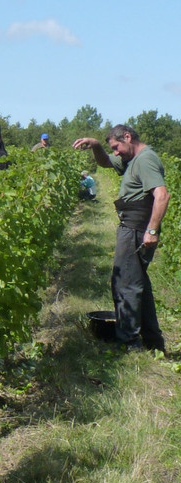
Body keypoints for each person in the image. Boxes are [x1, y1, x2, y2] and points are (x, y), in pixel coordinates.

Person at [73, 125, 169, 352]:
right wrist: (96, 145)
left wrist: (152, 230)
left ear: (128, 137)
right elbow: (105, 162)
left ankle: (130, 342)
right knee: (138, 284)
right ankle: (152, 341)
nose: (115, 152)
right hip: (132, 226)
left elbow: (162, 195)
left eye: (116, 147)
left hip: (136, 228)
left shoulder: (145, 160)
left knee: (125, 283)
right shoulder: (132, 159)